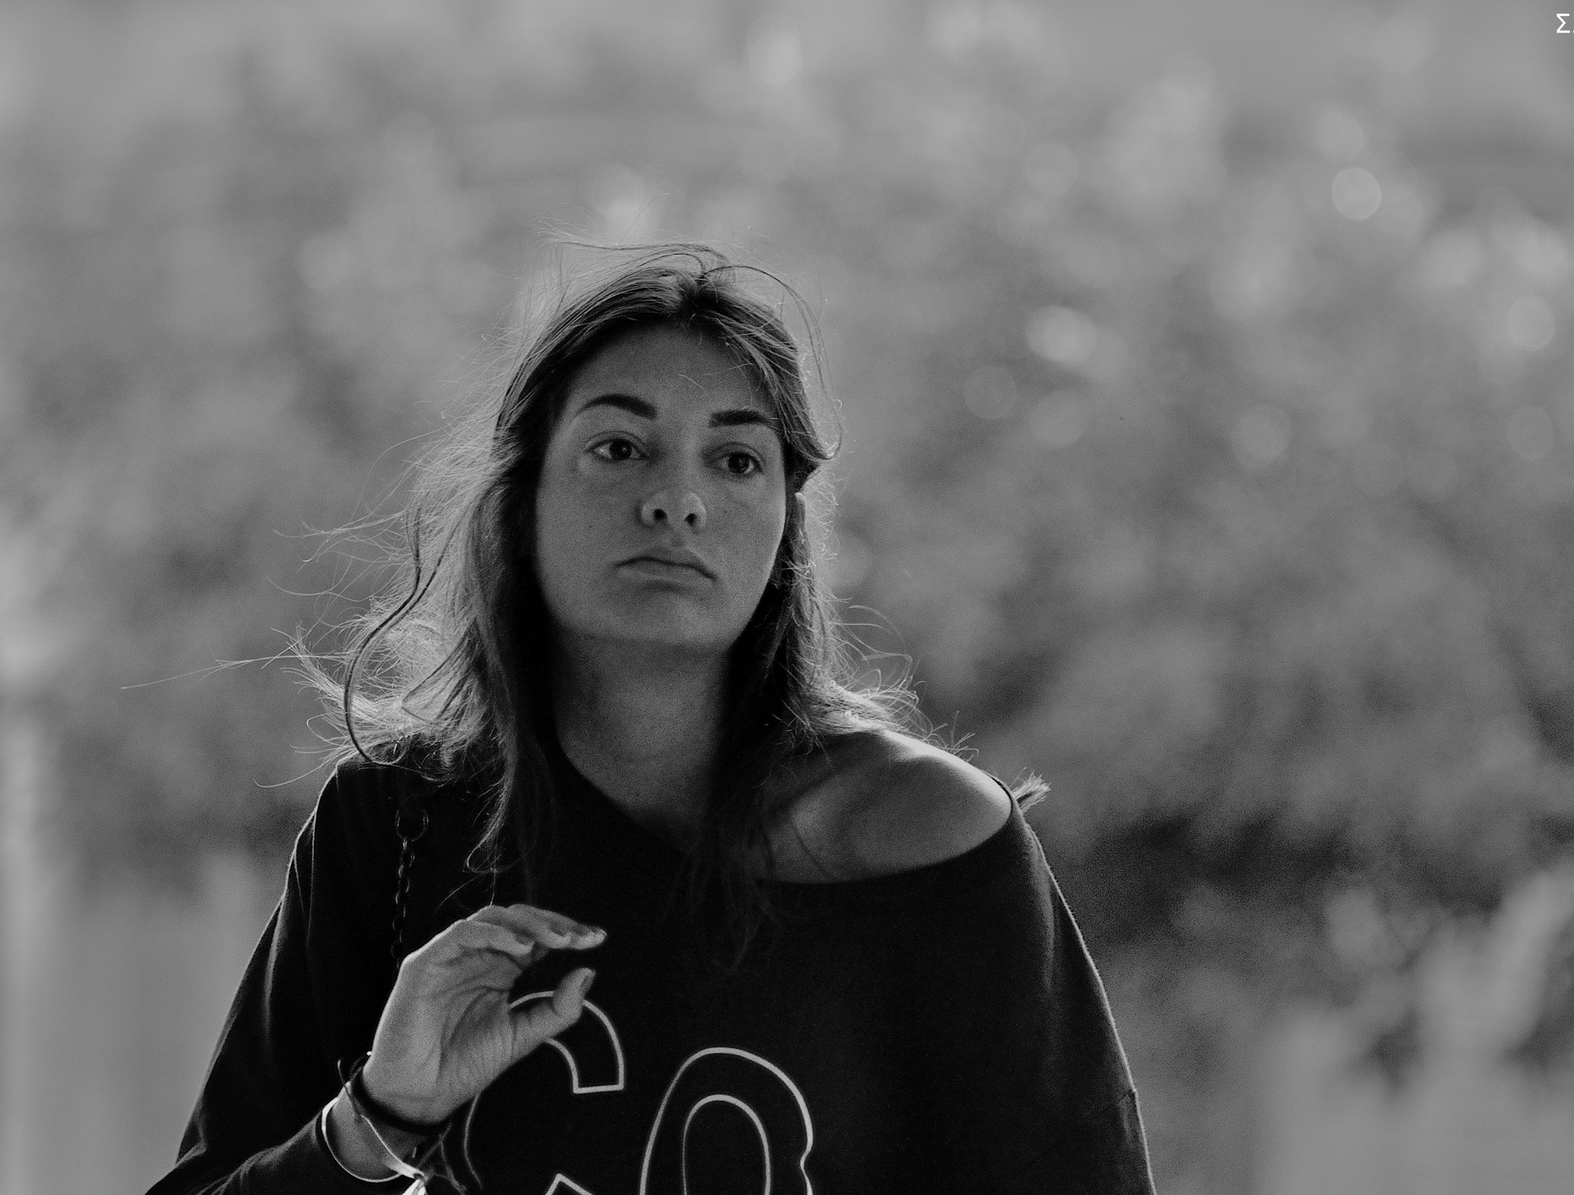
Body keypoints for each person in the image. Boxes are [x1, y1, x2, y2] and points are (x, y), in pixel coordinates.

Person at [144, 243, 1156, 1194]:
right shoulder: (399, 822)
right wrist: (381, 1115)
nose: (678, 499)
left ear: (787, 527)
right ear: (522, 498)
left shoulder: (926, 838)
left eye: (737, 460)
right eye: (620, 447)